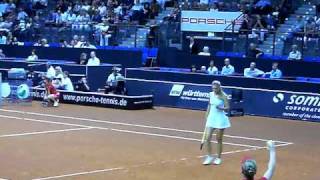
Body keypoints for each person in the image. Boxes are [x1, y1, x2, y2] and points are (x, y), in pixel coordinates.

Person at [202, 80, 230, 165]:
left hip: (220, 119)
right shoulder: (211, 94)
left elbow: (227, 107)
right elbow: (209, 105)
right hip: (211, 118)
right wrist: (206, 115)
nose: (214, 89)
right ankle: (209, 156)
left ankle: (218, 158)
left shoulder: (223, 96)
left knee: (219, 139)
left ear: (219, 87)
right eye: (213, 88)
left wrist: (221, 108)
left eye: (216, 88)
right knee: (207, 139)